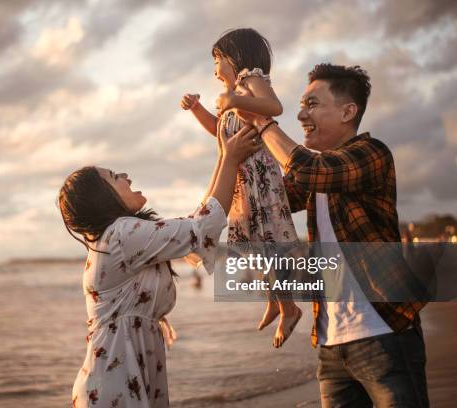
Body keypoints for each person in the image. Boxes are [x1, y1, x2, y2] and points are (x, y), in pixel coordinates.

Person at [250, 63, 429, 407]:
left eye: (312, 104)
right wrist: (237, 146)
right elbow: (268, 203)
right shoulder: (317, 174)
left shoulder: (372, 154)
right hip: (331, 346)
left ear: (349, 111)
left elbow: (309, 168)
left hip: (385, 335)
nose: (301, 115)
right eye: (301, 105)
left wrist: (263, 121)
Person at [59, 125, 261, 407]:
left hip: (119, 375)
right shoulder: (122, 235)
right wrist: (229, 159)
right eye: (116, 177)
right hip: (114, 384)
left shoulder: (120, 237)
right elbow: (202, 227)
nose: (126, 176)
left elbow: (196, 222)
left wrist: (223, 157)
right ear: (103, 198)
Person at [181, 28, 301, 347]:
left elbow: (274, 107)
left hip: (259, 180)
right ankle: (276, 300)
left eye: (218, 60)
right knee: (250, 247)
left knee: (267, 242)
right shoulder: (233, 95)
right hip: (240, 185)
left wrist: (235, 97)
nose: (215, 70)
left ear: (237, 57)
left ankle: (289, 308)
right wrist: (197, 109)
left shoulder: (251, 80)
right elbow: (219, 131)